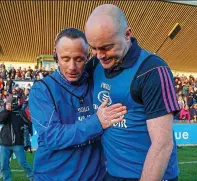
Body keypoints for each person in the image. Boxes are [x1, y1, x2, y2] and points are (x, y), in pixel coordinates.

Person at [85, 4, 180, 181]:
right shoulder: (95, 65)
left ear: (128, 34)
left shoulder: (153, 70)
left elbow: (162, 144)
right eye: (94, 48)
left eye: (106, 47)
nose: (99, 55)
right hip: (112, 174)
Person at [29, 28, 127, 181]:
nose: (72, 67)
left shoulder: (97, 84)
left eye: (79, 59)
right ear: (56, 55)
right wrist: (97, 122)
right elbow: (52, 136)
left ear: (88, 56)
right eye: (65, 59)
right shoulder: (41, 89)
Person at [0, 96, 33, 181]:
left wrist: (27, 143)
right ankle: (7, 179)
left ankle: (33, 178)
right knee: (3, 165)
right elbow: (1, 119)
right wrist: (8, 111)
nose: (8, 105)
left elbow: (28, 124)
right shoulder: (3, 112)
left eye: (10, 103)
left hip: (18, 144)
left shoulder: (20, 113)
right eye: (7, 103)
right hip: (5, 144)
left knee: (23, 163)